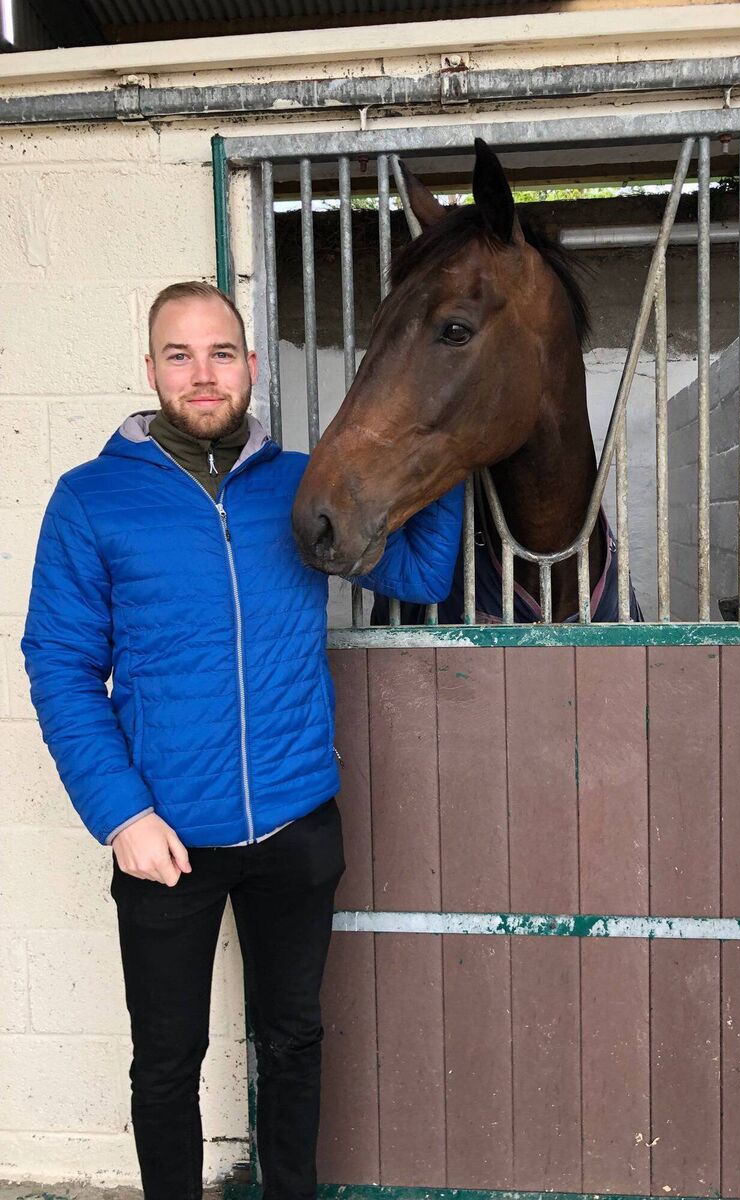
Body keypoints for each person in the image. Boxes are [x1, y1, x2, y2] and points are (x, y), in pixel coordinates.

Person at [21, 281, 464, 1200]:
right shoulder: (91, 500)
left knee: (293, 1039)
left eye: (221, 353)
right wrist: (123, 816)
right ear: (151, 370)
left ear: (251, 365)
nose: (203, 374)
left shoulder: (305, 488)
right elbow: (60, 667)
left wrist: (450, 451)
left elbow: (423, 574)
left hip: (297, 827)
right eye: (179, 356)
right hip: (165, 841)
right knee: (167, 1059)